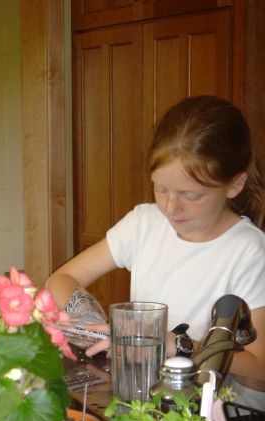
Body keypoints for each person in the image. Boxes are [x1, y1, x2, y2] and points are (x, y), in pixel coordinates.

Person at [45, 96, 265, 404]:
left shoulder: (249, 251)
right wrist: (86, 319)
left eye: (192, 195)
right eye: (160, 188)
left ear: (234, 184)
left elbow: (259, 367)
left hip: (218, 420)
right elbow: (62, 278)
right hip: (146, 402)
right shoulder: (144, 223)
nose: (171, 207)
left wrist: (176, 345)